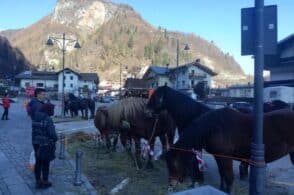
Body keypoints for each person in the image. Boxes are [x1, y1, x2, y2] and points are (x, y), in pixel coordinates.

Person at [32, 102, 57, 189]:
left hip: (36, 144)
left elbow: (33, 132)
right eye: (52, 109)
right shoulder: (48, 119)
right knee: (46, 164)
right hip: (45, 145)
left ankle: (38, 181)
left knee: (38, 163)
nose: (53, 111)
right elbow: (52, 134)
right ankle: (45, 182)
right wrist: (55, 139)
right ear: (48, 110)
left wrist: (34, 142)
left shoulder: (35, 117)